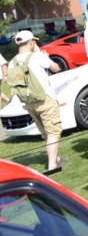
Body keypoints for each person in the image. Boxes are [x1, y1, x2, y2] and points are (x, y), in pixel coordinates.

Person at [7, 31, 64, 174]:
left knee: (46, 132)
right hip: (44, 99)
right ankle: (52, 165)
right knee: (53, 131)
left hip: (29, 102)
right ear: (31, 42)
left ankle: (55, 158)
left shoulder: (12, 63)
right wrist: (46, 57)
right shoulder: (38, 57)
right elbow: (56, 68)